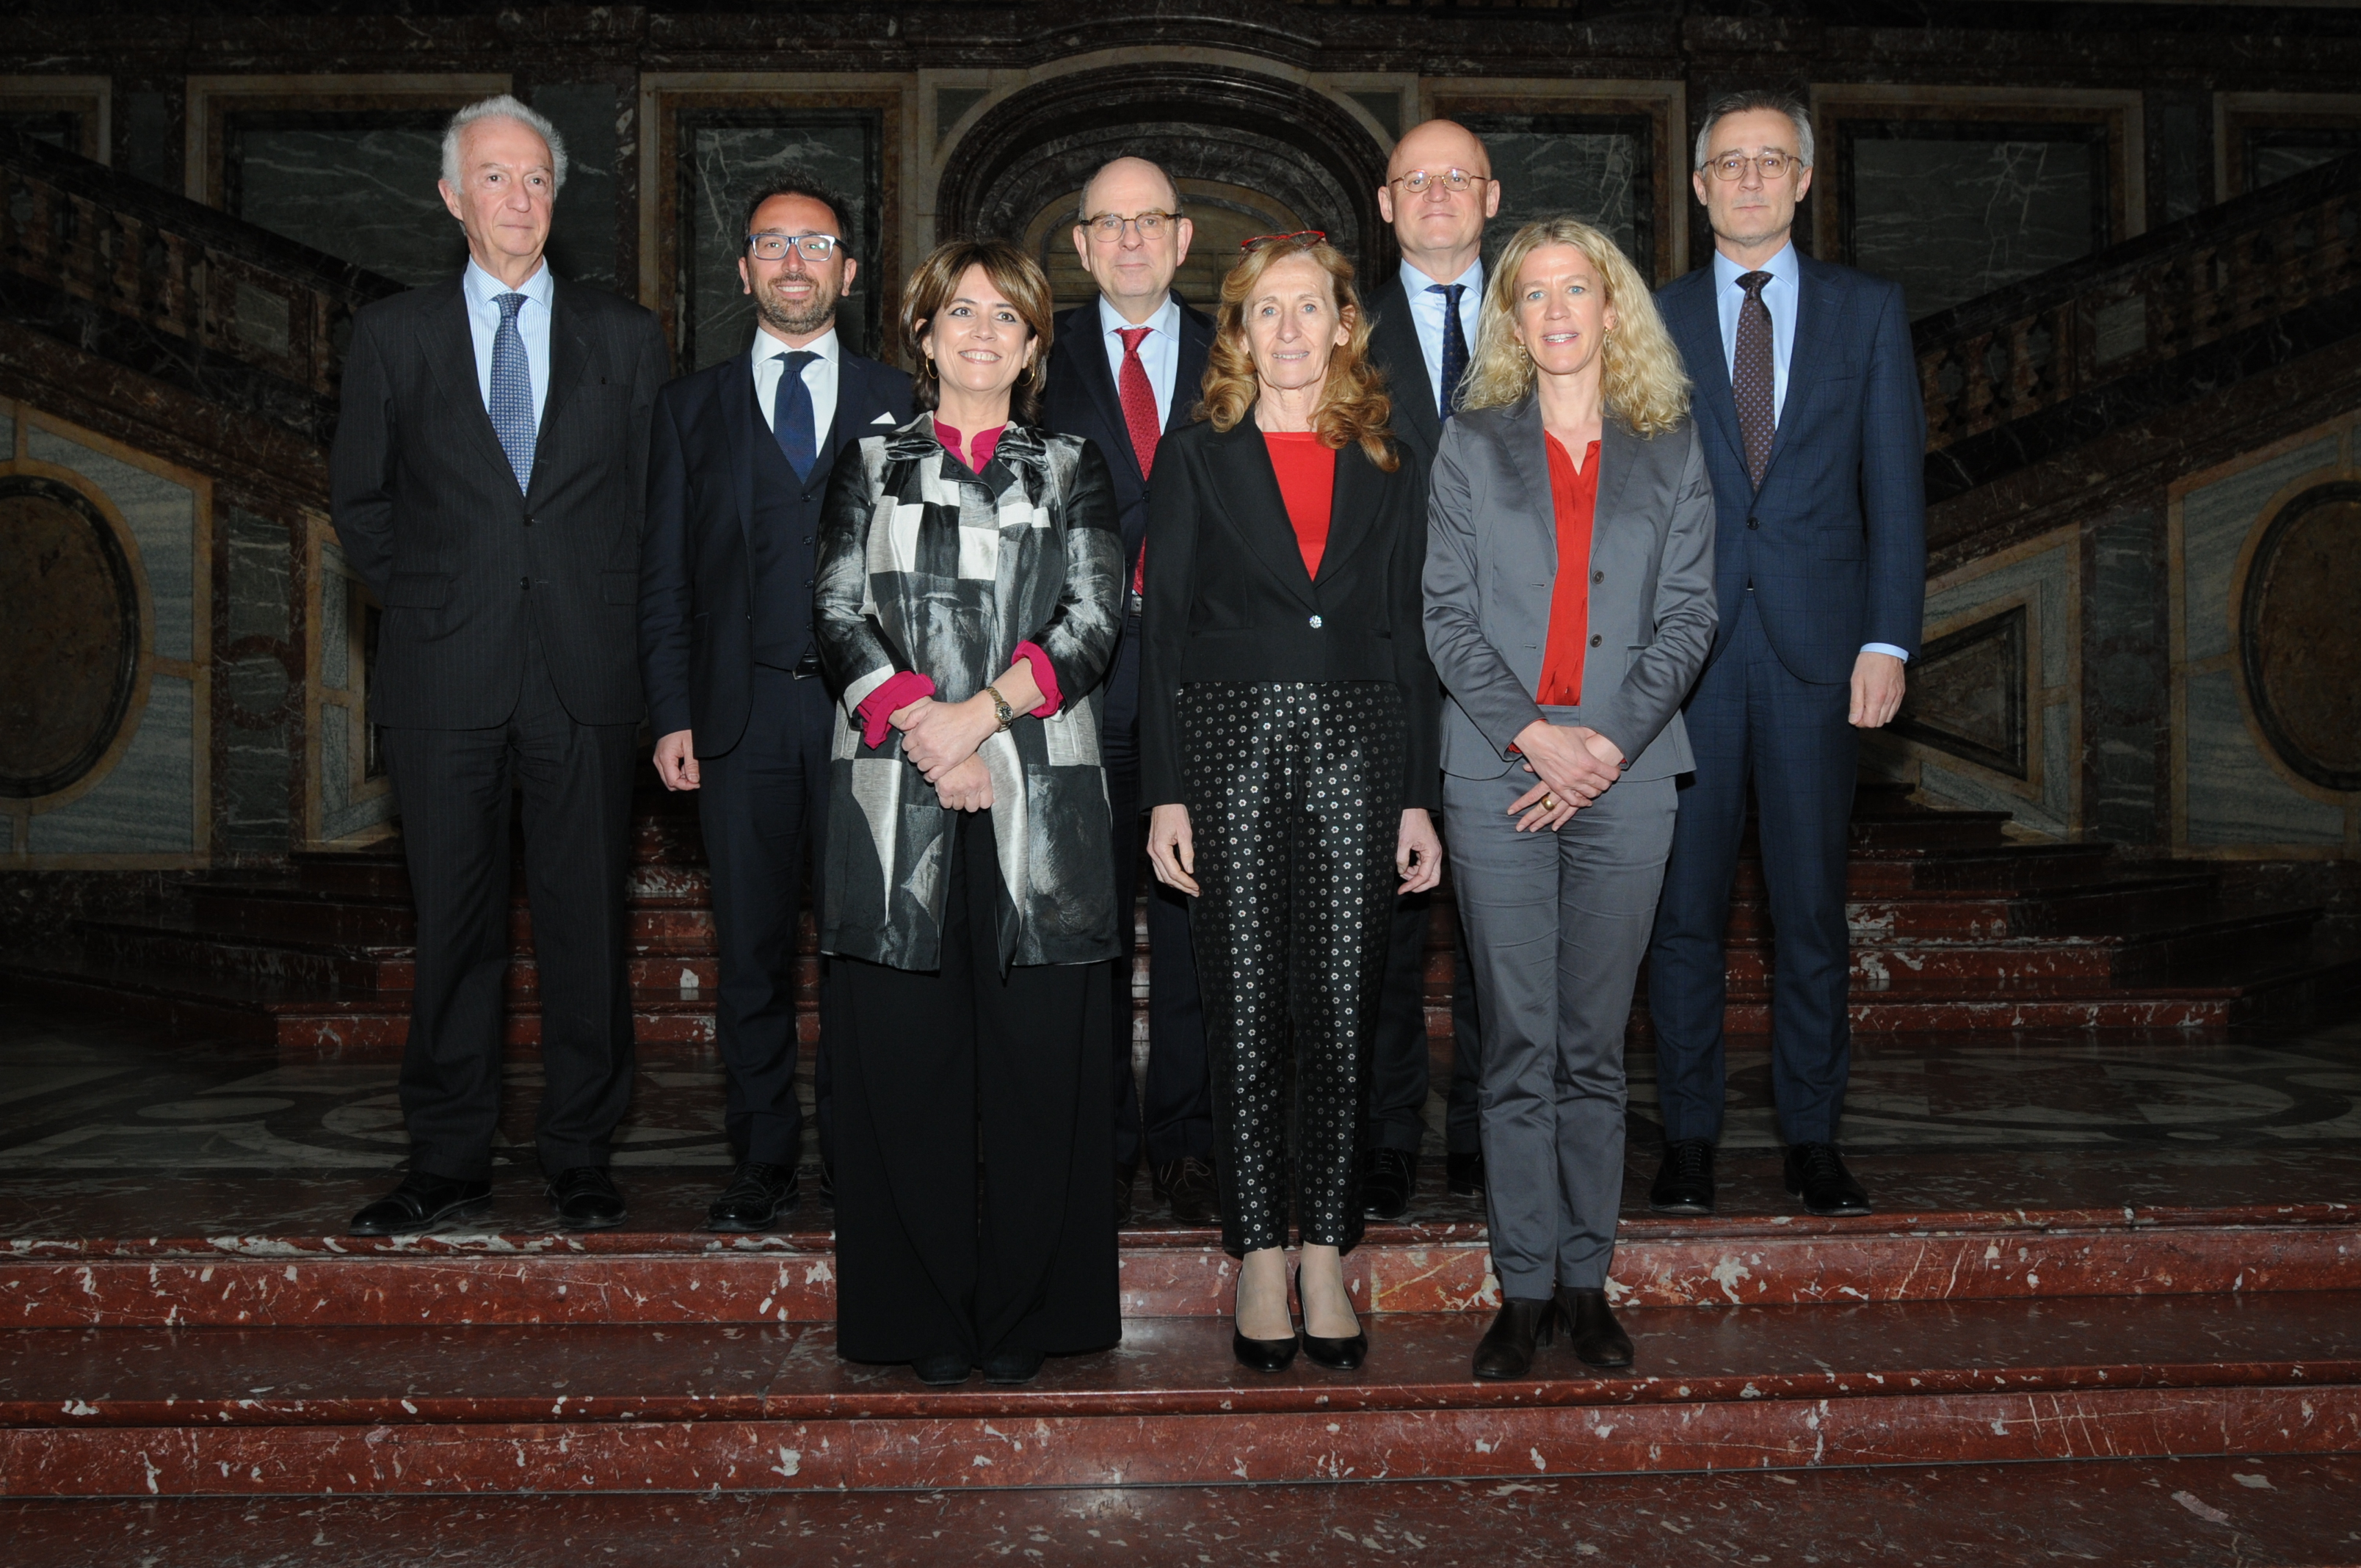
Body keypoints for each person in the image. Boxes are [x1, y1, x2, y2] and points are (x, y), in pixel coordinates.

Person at [333, 95, 668, 1237]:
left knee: (586, 924)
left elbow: (648, 509)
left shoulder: (626, 339)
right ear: (450, 196)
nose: (518, 199)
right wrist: (435, 599)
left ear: (555, 197)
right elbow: (362, 505)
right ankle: (446, 1156)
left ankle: (581, 1150)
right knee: (455, 927)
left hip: (583, 673)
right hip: (444, 675)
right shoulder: (394, 336)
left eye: (536, 180)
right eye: (494, 178)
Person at [813, 239, 1124, 1387]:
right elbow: (837, 610)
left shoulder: (1073, 465)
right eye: (960, 313)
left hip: (1046, 791)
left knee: (1045, 1071)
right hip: (894, 791)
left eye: (1007, 317)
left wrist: (978, 720)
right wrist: (928, 733)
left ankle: (1034, 1317)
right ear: (925, 334)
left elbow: (1093, 622)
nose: (982, 333)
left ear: (1036, 345)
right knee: (907, 1068)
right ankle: (921, 1317)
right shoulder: (866, 460)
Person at [1140, 233, 1444, 1373]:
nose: (1288, 330)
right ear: (1240, 331)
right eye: (1265, 311)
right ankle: (1258, 1250)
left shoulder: (1389, 453)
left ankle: (1327, 1247)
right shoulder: (1198, 454)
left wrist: (1418, 799)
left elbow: (1410, 632)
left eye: (1308, 308)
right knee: (1246, 1005)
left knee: (1341, 1008)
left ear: (1342, 326)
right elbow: (1163, 631)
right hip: (1227, 746)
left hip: (1362, 748)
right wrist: (1163, 792)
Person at [1424, 217, 1717, 1378]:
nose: (1554, 312)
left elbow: (1688, 615)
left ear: (1612, 308)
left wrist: (1603, 745)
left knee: (1596, 1047)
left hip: (1631, 777)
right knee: (1515, 1045)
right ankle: (1523, 1284)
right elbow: (1445, 614)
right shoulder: (1469, 443)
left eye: (1575, 290)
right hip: (1497, 773)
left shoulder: (1672, 443)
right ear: (1511, 317)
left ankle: (1587, 1284)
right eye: (1530, 294)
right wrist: (1536, 739)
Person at [1645, 90, 1926, 1218]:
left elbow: (1896, 491)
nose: (1751, 179)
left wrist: (1887, 636)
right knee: (1685, 916)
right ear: (1700, 184)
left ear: (1804, 181)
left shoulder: (1867, 312)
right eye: (1730, 163)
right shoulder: (1654, 318)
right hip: (1688, 661)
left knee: (1809, 912)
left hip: (1823, 655)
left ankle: (1814, 1137)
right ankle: (1689, 1140)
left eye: (1772, 161)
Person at [638, 179, 911, 1232]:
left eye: (816, 244)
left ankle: (859, 1156)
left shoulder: (901, 399)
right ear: (745, 268)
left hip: (869, 722)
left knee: (860, 953)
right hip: (737, 723)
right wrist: (670, 714)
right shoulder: (688, 409)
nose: (794, 262)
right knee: (748, 954)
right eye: (772, 244)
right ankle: (760, 1158)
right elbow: (661, 575)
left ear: (848, 271)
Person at [1040, 156, 1219, 1228]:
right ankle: (1097, 1139)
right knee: (1090, 924)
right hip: (1082, 681)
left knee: (1197, 921)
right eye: (1109, 223)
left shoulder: (1239, 348)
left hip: (1206, 677)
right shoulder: (1034, 352)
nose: (1132, 240)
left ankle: (1189, 1139)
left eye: (1150, 220)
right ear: (1082, 243)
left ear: (1182, 236)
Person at [1358, 117, 1500, 1216]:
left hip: (1523, 657)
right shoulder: (1341, 327)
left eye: (1459, 177)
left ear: (1491, 198)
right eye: (1419, 180)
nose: (1439, 193)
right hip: (1386, 652)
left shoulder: (1547, 305)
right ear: (1386, 202)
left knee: (1509, 911)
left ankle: (1494, 1128)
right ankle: (1391, 1129)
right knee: (1394, 918)